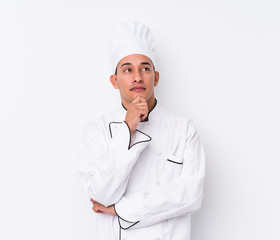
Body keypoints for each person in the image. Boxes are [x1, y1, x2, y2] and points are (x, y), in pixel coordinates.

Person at [78, 22, 205, 240]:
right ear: (114, 81)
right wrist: (127, 129)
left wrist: (122, 209)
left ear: (155, 77)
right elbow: (102, 195)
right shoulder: (96, 130)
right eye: (127, 70)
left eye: (145, 68)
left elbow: (191, 194)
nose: (137, 77)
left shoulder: (183, 129)